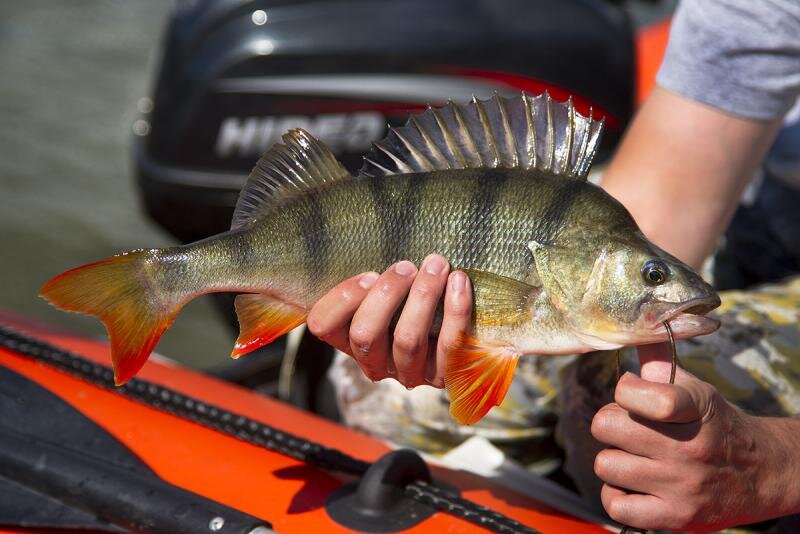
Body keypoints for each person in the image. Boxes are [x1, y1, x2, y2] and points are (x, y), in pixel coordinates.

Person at [307, 0, 800, 530]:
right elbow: (659, 208)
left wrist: (774, 466)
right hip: (763, 236)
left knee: (647, 426)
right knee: (389, 398)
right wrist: (471, 332)